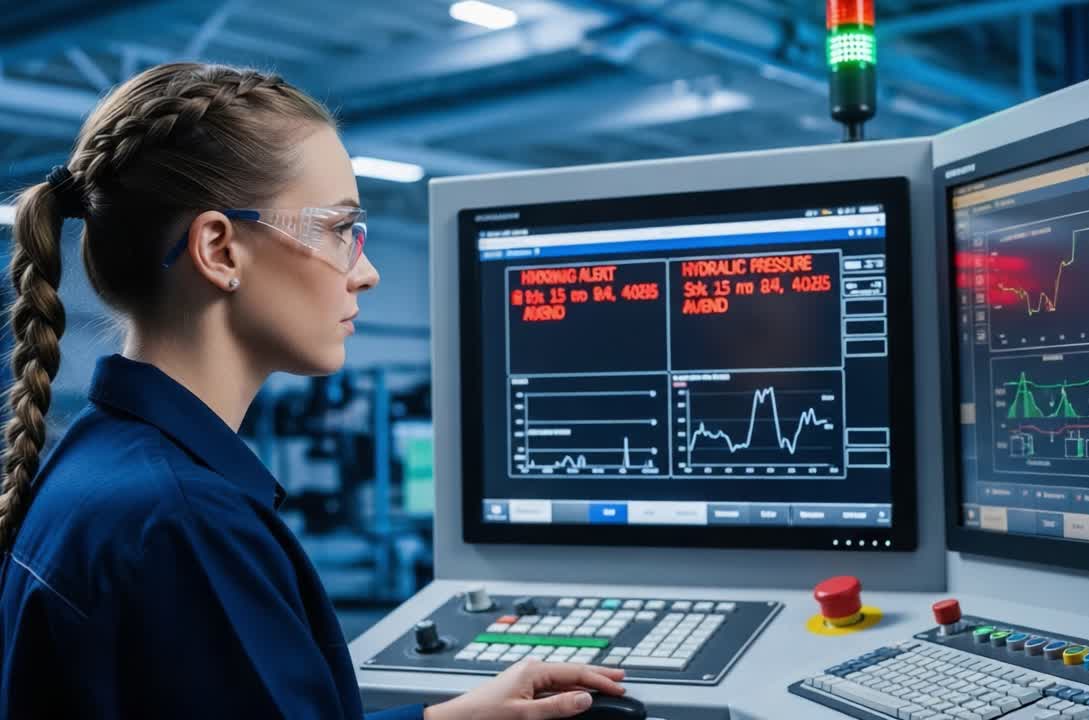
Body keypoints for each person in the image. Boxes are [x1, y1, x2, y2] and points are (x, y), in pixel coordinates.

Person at [0, 63, 626, 719]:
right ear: (220, 250)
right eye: (337, 230)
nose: (367, 272)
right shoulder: (185, 523)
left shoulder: (105, 465)